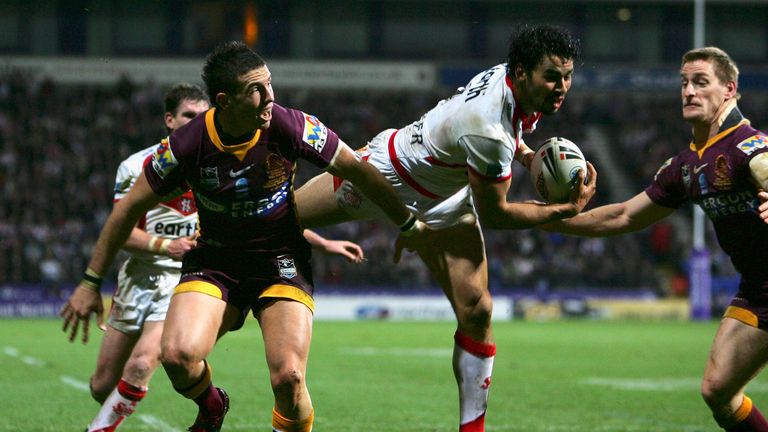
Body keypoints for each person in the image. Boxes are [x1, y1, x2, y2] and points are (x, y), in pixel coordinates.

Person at [60, 41, 430, 432]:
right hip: (215, 262)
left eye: (270, 84)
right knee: (177, 357)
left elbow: (359, 170)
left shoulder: (292, 125)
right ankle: (212, 404)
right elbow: (127, 209)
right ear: (226, 101)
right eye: (257, 89)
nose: (270, 97)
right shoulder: (187, 145)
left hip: (279, 260)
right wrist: (90, 282)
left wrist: (407, 223)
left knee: (288, 377)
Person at [294, 24, 597, 431]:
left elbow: (514, 133)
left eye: (567, 76)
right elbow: (497, 215)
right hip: (386, 174)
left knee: (478, 310)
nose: (562, 87)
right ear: (522, 72)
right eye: (552, 77)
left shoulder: (513, 84)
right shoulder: (488, 129)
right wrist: (561, 211)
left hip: (447, 195)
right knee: (281, 215)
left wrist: (527, 158)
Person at [544, 47, 768, 431]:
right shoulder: (686, 166)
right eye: (684, 83)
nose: (689, 92)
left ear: (729, 89)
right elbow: (624, 215)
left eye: (701, 82)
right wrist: (549, 219)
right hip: (758, 289)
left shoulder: (748, 146)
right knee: (717, 390)